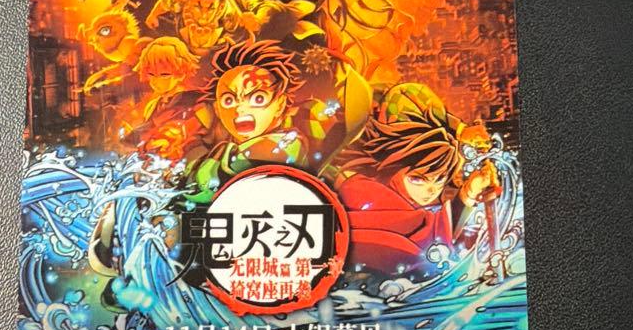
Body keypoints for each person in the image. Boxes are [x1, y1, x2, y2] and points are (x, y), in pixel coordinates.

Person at [336, 109, 463, 275]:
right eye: (417, 179)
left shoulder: (418, 212)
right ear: (392, 170)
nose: (431, 190)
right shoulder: (363, 195)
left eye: (439, 180)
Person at [187, 40, 306, 201]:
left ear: (280, 104)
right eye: (228, 100)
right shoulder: (221, 147)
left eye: (258, 98)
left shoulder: (285, 144)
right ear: (217, 109)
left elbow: (207, 187)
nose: (240, 109)